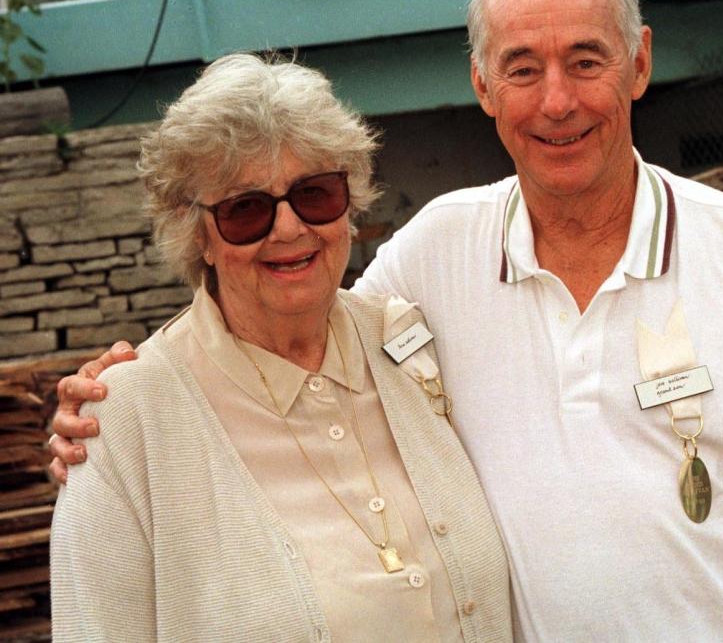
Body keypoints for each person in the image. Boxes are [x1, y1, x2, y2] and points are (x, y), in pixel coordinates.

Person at [51, 0, 723, 642]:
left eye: (586, 60)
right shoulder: (435, 256)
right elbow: (272, 317)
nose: (558, 101)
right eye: (523, 68)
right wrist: (119, 395)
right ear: (482, 86)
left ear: (640, 63)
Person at [49, 54, 511, 642]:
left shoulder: (410, 342)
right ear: (199, 236)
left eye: (314, 194)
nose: (289, 228)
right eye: (247, 210)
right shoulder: (126, 422)